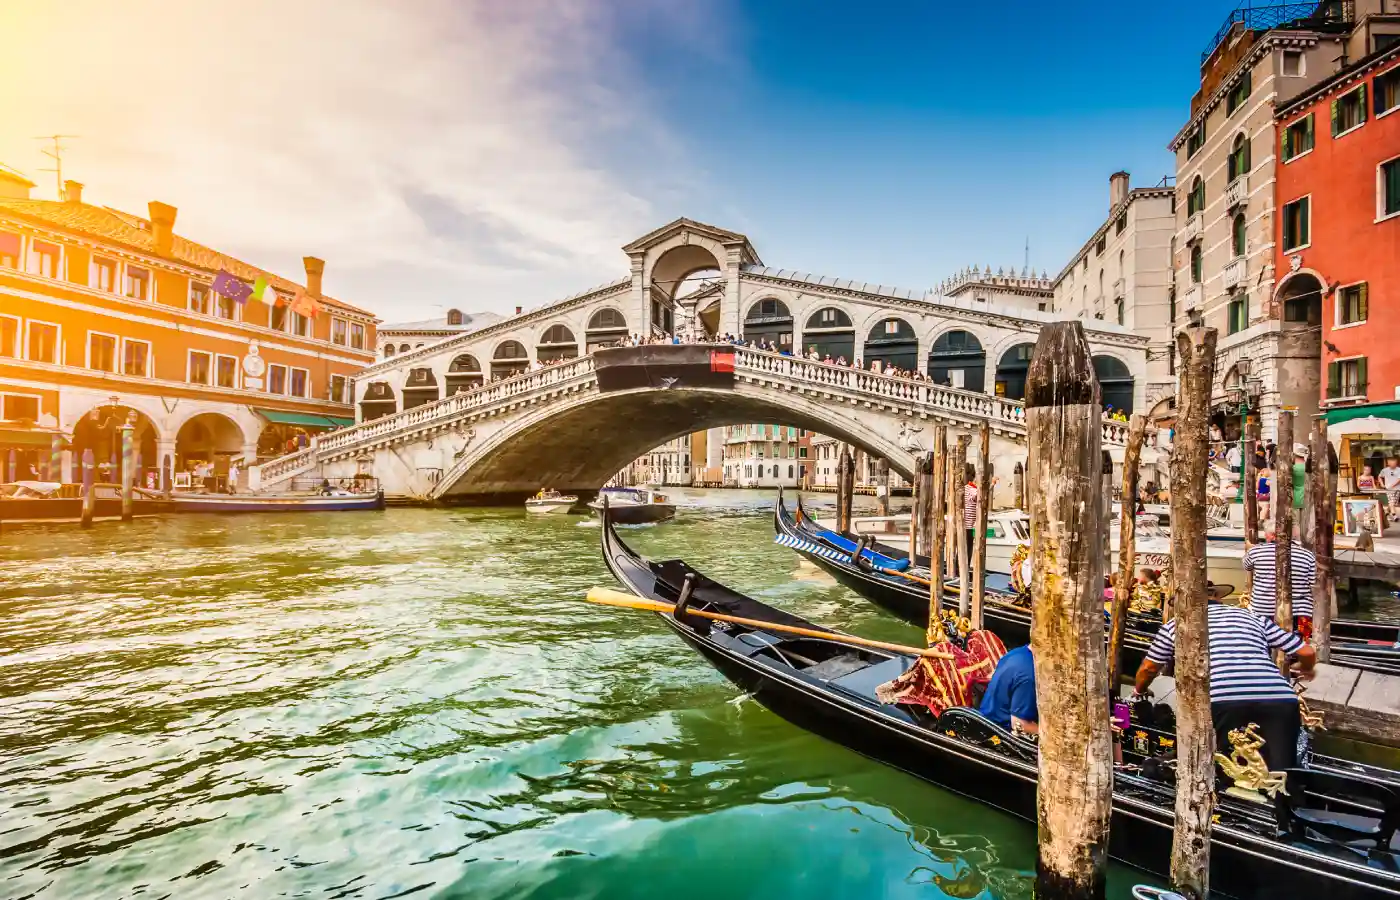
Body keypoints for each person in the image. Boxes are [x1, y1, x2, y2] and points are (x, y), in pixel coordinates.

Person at [1134, 597, 1315, 771]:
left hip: (1222, 699)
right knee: (1283, 768)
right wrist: (1305, 668)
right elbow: (1306, 652)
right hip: (1280, 698)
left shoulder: (1177, 624)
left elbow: (1149, 668)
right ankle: (1286, 799)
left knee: (1222, 761)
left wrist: (1140, 690)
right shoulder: (1252, 617)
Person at [1242, 527, 1318, 638]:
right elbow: (1314, 584)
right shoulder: (1307, 555)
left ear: (1273, 535)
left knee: (1264, 644)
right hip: (1300, 611)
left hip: (1263, 611)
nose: (1265, 538)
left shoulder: (1255, 552)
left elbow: (1246, 566)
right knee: (1299, 647)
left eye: (1266, 535)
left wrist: (1251, 549)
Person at [979, 644, 1037, 734]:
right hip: (1001, 733)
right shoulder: (1031, 676)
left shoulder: (1016, 653)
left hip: (986, 718)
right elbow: (1020, 724)